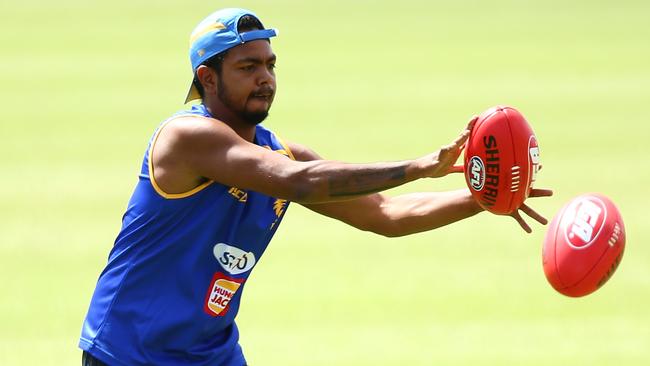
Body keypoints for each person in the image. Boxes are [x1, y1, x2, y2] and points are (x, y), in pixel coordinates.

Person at [79, 8, 552, 366]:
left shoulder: (283, 154)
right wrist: (419, 165)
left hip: (210, 354)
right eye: (247, 67)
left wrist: (482, 196)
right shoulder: (185, 138)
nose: (265, 77)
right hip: (129, 351)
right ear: (207, 78)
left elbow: (386, 215)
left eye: (270, 64)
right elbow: (299, 184)